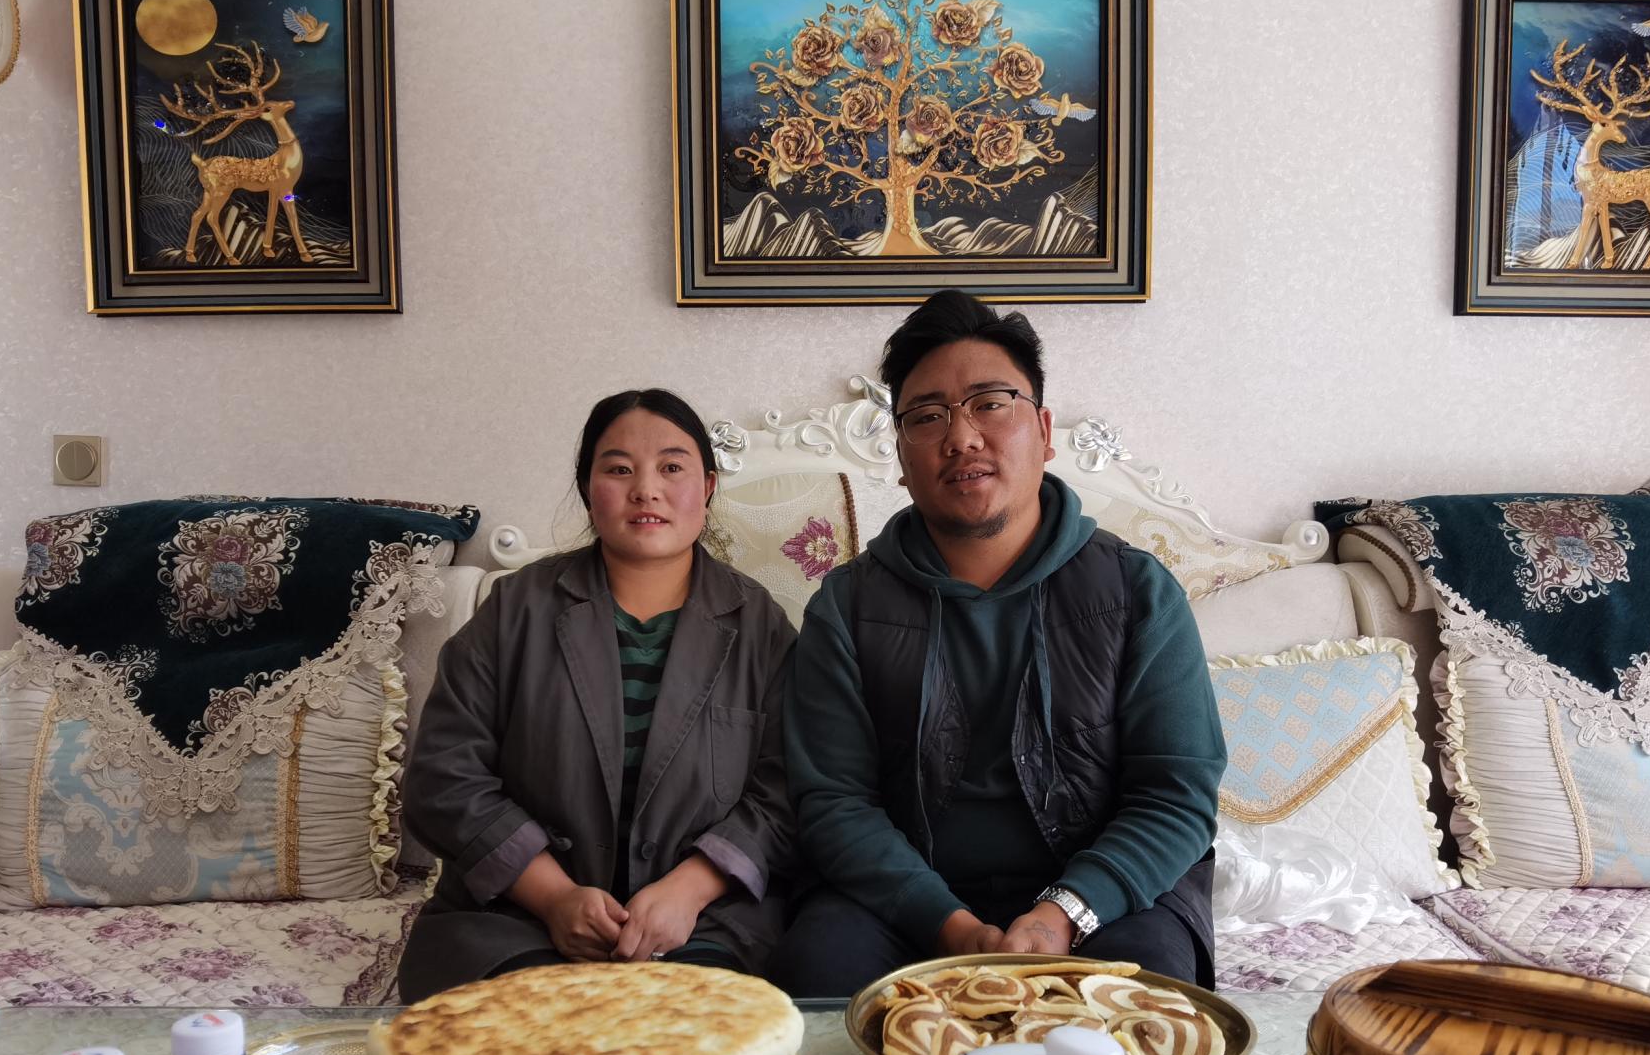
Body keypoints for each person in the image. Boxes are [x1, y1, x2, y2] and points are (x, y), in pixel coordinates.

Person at [768, 290, 1225, 999]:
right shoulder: (847, 607)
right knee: (819, 978)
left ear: (1043, 430)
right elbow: (833, 802)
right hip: (903, 899)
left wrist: (1061, 914)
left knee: (1143, 1000)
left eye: (990, 403)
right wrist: (948, 925)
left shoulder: (1136, 591)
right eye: (927, 416)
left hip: (1100, 899)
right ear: (900, 455)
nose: (962, 437)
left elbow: (1176, 793)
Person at [395, 389, 796, 1001]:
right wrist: (554, 897)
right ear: (588, 488)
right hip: (516, 918)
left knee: (702, 1031)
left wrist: (689, 890)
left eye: (672, 467)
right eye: (619, 469)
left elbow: (786, 791)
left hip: (705, 920)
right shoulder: (514, 610)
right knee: (525, 1040)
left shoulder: (762, 627)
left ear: (708, 487)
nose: (646, 490)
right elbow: (444, 777)